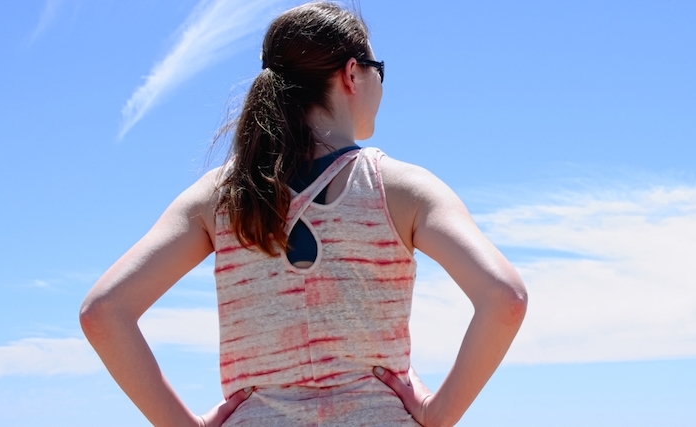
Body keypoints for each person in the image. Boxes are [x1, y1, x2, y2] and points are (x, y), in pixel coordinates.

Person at [79, 2, 527, 426]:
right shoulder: (402, 188)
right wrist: (439, 412)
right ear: (352, 73)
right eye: (379, 71)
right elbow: (504, 298)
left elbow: (103, 312)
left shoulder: (218, 197)